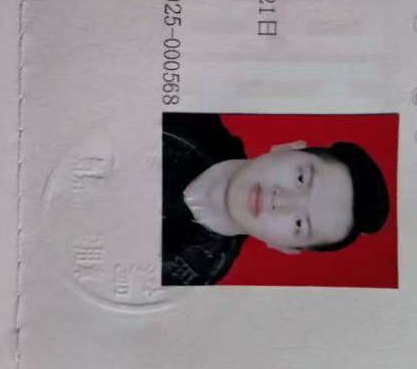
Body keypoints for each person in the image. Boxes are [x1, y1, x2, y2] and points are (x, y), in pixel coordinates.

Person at [161, 113, 390, 286]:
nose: (281, 202)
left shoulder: (194, 278)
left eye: (299, 224)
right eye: (301, 179)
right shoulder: (185, 115)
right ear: (287, 148)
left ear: (284, 248)